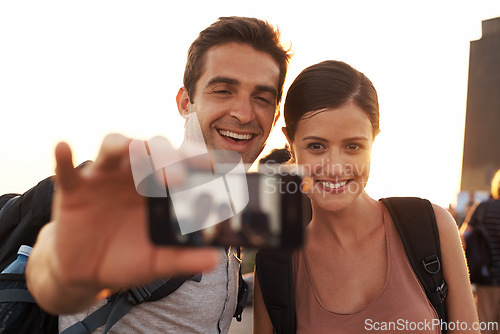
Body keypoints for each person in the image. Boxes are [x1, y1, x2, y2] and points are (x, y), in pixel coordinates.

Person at [25, 16, 291, 333]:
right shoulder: (140, 188)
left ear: (274, 118)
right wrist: (69, 265)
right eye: (222, 90)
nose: (243, 113)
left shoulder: (221, 207)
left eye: (261, 97)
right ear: (185, 102)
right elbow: (56, 276)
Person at [253, 60, 479, 333]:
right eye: (316, 146)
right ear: (290, 142)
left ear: (374, 141)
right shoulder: (276, 266)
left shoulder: (432, 227)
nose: (335, 167)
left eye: (353, 146)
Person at [461, 169, 500, 334]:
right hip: (489, 278)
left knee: (486, 326)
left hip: (487, 279)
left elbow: (462, 238)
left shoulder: (482, 208)